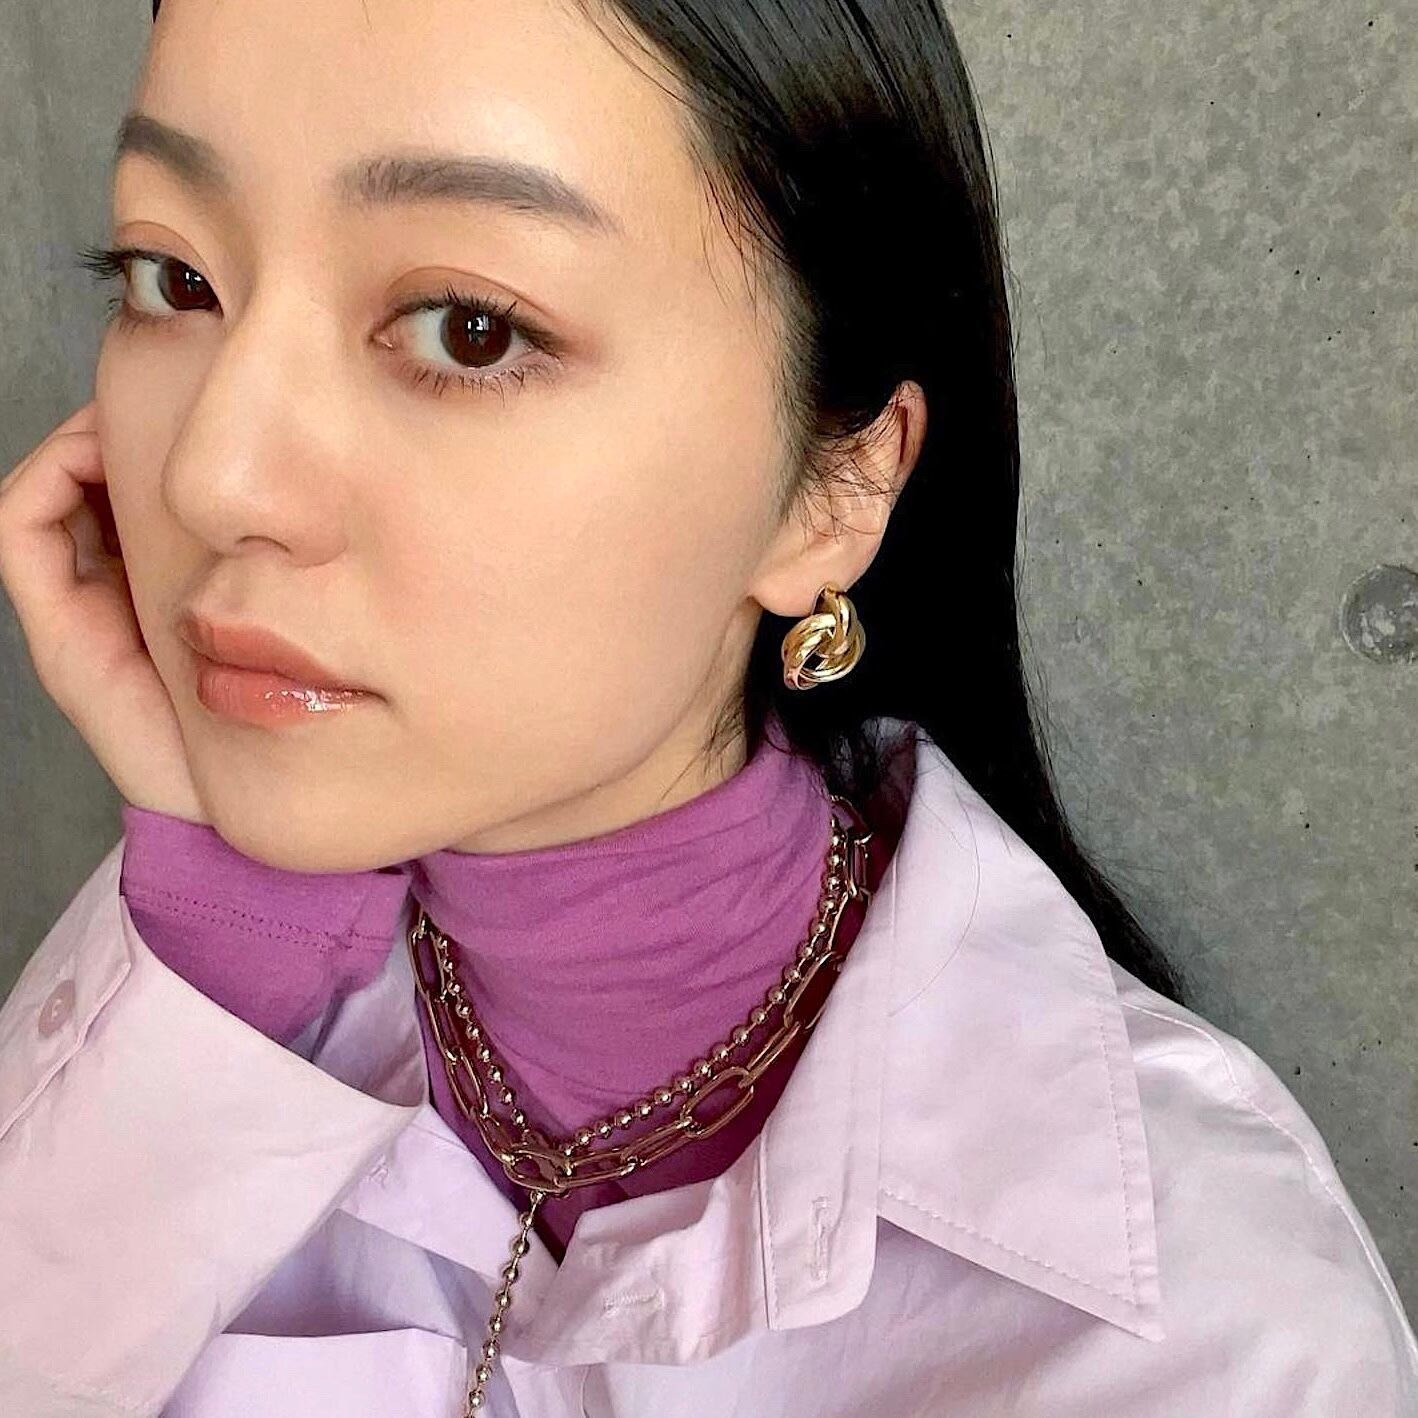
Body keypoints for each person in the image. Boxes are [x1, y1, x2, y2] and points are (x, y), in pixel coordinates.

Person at [0, 0, 1414, 1414]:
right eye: (173, 278)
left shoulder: (1207, 1336)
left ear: (836, 486)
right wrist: (218, 925)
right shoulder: (207, 976)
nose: (212, 478)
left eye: (470, 331)